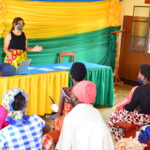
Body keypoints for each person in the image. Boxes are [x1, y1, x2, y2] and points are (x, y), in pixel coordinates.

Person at [56, 80, 114, 150]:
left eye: (73, 95)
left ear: (75, 98)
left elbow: (65, 146)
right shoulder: (97, 114)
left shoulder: (70, 117)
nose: (71, 97)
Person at [42, 62, 87, 149]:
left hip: (66, 124)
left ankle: (57, 144)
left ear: (71, 77)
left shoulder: (65, 91)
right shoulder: (88, 93)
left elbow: (59, 112)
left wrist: (53, 108)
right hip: (82, 123)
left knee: (57, 119)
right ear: (84, 76)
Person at [108, 64, 150, 141]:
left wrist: (123, 107)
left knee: (114, 115)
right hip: (148, 118)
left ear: (144, 76)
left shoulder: (138, 90)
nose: (139, 75)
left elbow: (130, 107)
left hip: (141, 119)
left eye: (140, 73)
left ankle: (121, 139)